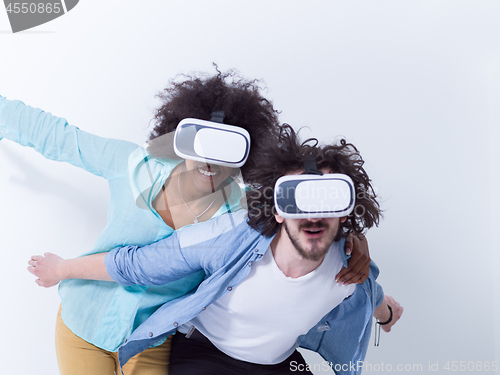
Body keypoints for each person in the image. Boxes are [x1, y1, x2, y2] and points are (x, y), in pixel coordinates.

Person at [2, 70, 370, 375]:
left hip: (152, 335)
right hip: (83, 321)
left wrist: (353, 237)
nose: (210, 162)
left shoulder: (242, 214)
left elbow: (303, 204)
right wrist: (62, 270)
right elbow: (58, 137)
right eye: (201, 143)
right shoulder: (130, 166)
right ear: (179, 137)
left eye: (226, 148)